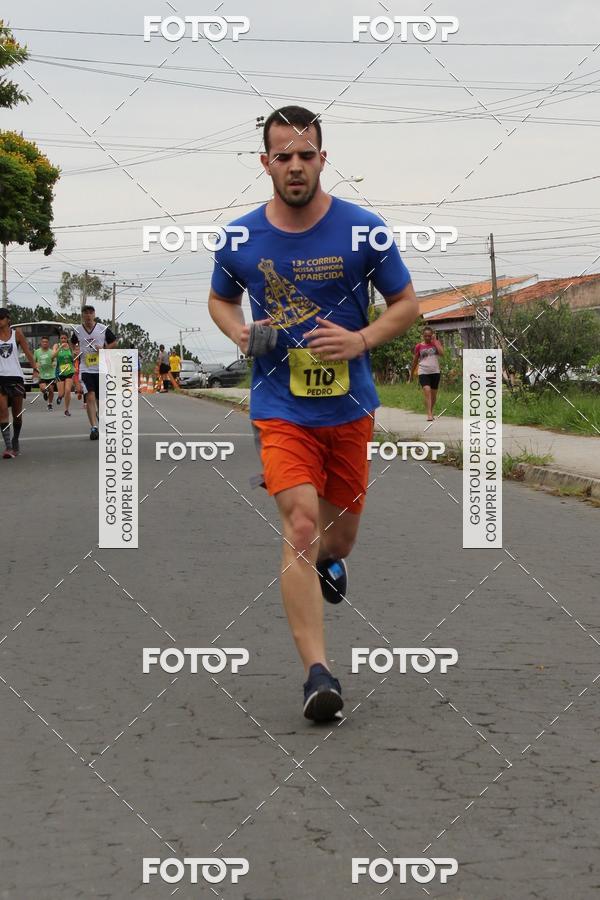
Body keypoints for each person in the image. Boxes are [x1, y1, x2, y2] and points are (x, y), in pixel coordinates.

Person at [208, 105, 418, 721]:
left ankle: (331, 561)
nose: (295, 166)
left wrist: (361, 339)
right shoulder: (241, 239)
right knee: (300, 525)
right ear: (264, 162)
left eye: (306, 155)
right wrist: (243, 335)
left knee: (338, 539)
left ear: (323, 159)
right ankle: (317, 675)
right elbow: (220, 303)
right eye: (283, 156)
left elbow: (405, 304)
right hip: (280, 408)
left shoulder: (363, 230)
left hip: (349, 410)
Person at [70, 305, 117, 440]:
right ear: (83, 316)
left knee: (101, 400)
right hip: (86, 368)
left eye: (91, 313)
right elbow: (73, 342)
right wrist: (75, 350)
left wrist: (104, 348)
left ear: (94, 315)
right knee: (90, 396)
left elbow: (114, 342)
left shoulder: (102, 328)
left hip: (101, 368)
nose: (88, 316)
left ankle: (99, 416)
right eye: (86, 313)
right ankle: (94, 428)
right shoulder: (78, 330)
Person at [0, 307, 38, 458]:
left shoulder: (17, 334)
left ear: (8, 319)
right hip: (0, 377)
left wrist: (35, 368)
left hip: (16, 377)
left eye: (1, 317)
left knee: (17, 415)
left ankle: (15, 440)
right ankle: (8, 447)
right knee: (2, 411)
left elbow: (28, 351)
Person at [410, 326, 444, 421]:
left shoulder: (436, 344)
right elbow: (415, 360)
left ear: (432, 335)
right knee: (427, 390)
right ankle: (429, 413)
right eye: (426, 336)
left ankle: (431, 411)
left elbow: (442, 353)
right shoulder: (419, 346)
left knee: (433, 394)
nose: (427, 338)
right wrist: (411, 374)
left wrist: (435, 342)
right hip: (423, 371)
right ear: (423, 336)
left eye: (429, 336)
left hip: (435, 372)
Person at [52, 332, 75, 416]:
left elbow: (73, 357)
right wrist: (59, 348)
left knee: (68, 390)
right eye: (62, 338)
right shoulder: (56, 346)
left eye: (65, 338)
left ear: (67, 339)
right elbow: (52, 356)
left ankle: (66, 410)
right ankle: (60, 396)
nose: (63, 340)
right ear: (59, 339)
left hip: (69, 371)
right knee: (61, 393)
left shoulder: (70, 347)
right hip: (59, 372)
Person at [34, 335, 57, 410]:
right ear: (41, 342)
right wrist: (35, 369)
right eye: (43, 342)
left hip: (51, 374)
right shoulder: (37, 352)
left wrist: (54, 363)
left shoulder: (51, 352)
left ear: (48, 343)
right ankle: (44, 393)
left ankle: (50, 404)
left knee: (51, 389)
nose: (44, 343)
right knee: (43, 388)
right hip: (42, 374)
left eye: (46, 342)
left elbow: (55, 361)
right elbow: (34, 362)